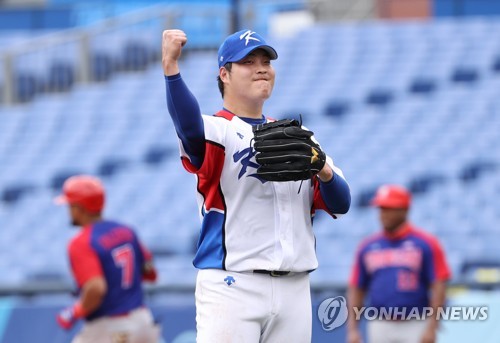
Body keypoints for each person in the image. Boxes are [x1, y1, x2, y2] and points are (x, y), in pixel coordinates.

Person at [162, 28, 351, 342]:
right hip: (233, 286)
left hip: (295, 288)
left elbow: (341, 203)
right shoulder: (217, 131)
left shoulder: (300, 137)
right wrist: (171, 69)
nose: (262, 67)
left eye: (266, 60)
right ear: (224, 73)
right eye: (248, 62)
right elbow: (188, 127)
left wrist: (324, 169)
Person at [54, 175, 160, 343]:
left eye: (70, 205)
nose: (69, 210)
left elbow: (96, 288)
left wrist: (75, 311)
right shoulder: (125, 230)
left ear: (80, 208)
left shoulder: (81, 242)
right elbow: (150, 272)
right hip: (143, 322)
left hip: (111, 327)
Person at [347, 184, 451, 343]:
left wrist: (432, 327)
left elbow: (439, 285)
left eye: (389, 208)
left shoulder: (426, 243)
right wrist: (353, 330)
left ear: (404, 210)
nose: (383, 214)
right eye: (381, 209)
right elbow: (357, 287)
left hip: (416, 321)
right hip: (380, 321)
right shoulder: (368, 246)